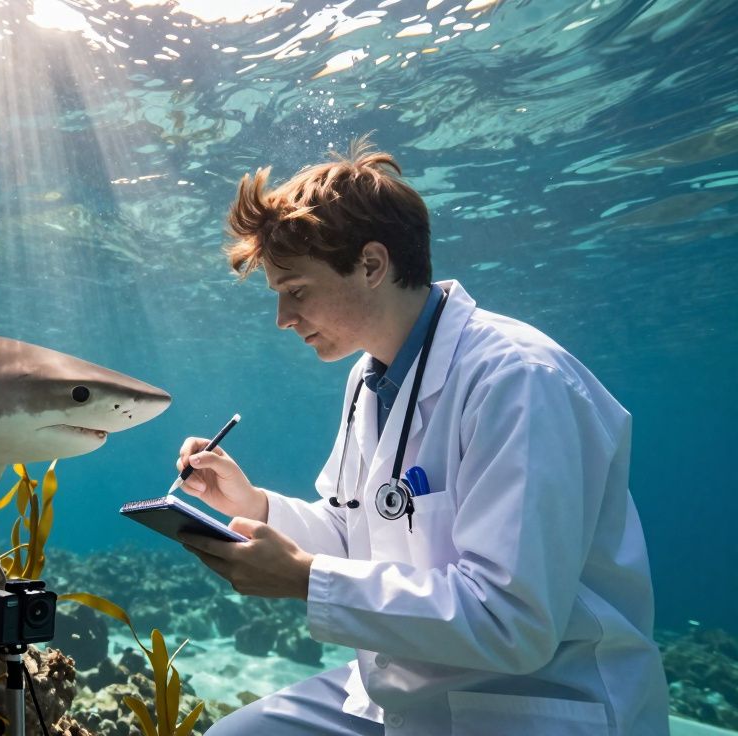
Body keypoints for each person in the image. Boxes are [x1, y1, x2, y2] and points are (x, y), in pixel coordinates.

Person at [174, 137, 668, 735]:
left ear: (373, 264)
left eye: (296, 291)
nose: (283, 319)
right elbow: (354, 530)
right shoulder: (370, 376)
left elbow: (512, 623)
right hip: (410, 691)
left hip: (537, 702)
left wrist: (305, 580)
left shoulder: (518, 380)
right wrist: (250, 505)